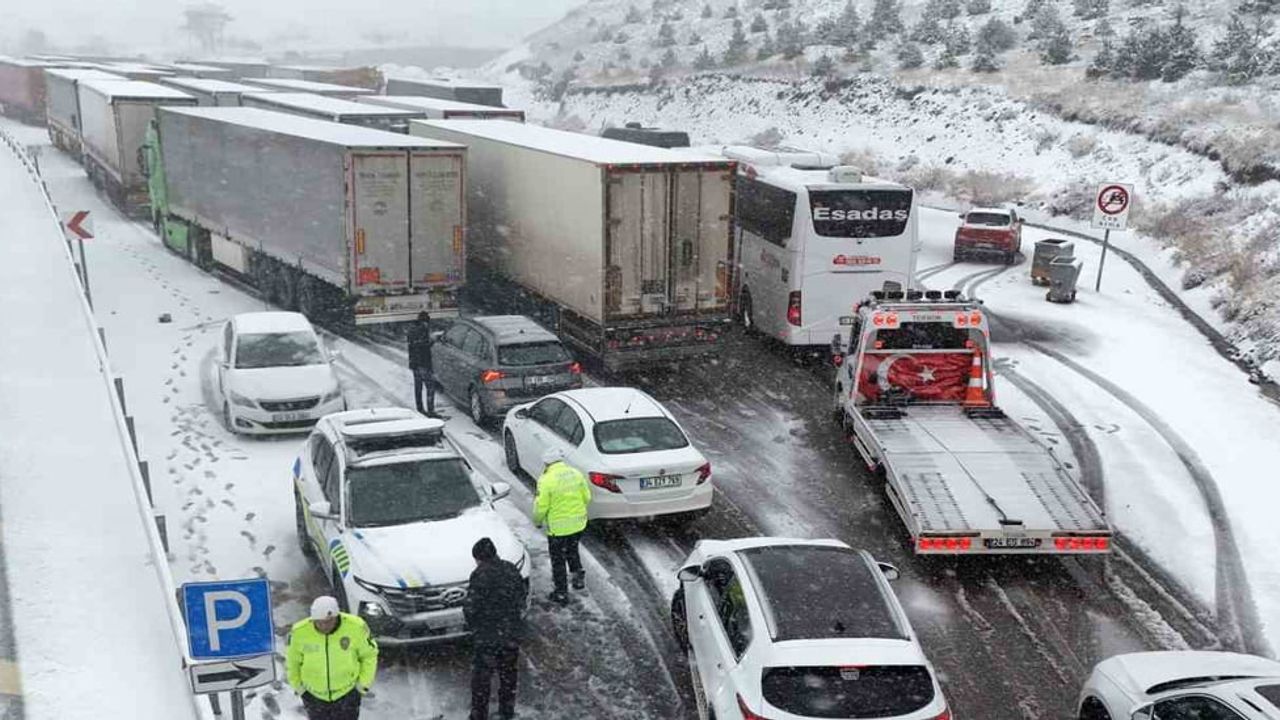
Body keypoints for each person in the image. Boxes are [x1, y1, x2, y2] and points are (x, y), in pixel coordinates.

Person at [464, 538, 528, 720]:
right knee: (508, 675)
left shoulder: (479, 574)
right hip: (510, 633)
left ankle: (479, 714)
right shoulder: (510, 568)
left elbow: (471, 607)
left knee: (481, 679)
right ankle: (507, 710)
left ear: (479, 558)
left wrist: (474, 627)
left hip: (487, 636)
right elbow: (521, 595)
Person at [286, 596, 379, 720]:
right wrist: (300, 688)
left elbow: (369, 655)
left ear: (336, 616)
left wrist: (361, 686)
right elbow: (292, 662)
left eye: (328, 621)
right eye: (319, 622)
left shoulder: (356, 627)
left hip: (347, 694)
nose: (324, 626)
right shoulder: (299, 632)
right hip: (314, 697)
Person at [533, 447, 591, 605]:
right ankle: (578, 576)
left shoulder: (545, 480)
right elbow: (587, 497)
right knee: (572, 550)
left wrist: (537, 521)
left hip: (558, 529)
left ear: (547, 463)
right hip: (579, 524)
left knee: (558, 560)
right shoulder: (575, 473)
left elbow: (541, 506)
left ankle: (561, 592)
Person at [407, 311, 435, 416]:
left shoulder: (412, 329)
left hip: (414, 363)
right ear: (425, 321)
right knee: (430, 387)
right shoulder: (423, 329)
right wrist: (432, 341)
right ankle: (431, 411)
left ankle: (420, 409)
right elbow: (423, 345)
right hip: (423, 363)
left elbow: (413, 345)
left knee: (418, 387)